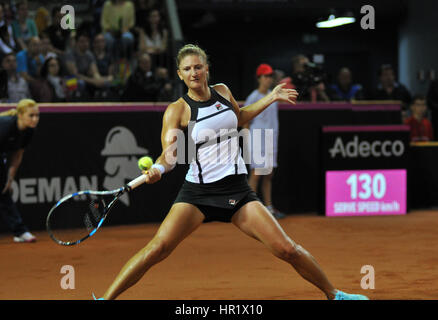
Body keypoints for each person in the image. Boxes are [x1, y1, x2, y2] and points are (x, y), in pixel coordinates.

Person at [94, 44, 368, 300]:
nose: (194, 73)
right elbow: (170, 155)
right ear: (179, 73)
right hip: (197, 194)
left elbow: (239, 118)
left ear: (207, 68)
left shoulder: (222, 91)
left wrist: (271, 97)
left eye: (198, 67)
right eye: (187, 69)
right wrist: (156, 169)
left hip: (237, 192)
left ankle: (336, 295)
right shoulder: (176, 110)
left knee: (287, 249)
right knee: (157, 249)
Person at [245, 63, 285, 219]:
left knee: (268, 174)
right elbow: (245, 121)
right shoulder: (253, 97)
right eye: (266, 76)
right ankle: (248, 208)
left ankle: (268, 208)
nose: (269, 79)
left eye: (270, 76)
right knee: (256, 174)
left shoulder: (273, 95)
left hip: (271, 139)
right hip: (257, 139)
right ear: (259, 78)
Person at [0, 98, 39, 243]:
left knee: (3, 192)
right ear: (20, 115)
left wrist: (9, 179)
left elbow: (17, 155)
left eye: (37, 115)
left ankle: (20, 232)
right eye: (31, 115)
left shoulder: (29, 131)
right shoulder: (5, 126)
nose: (35, 119)